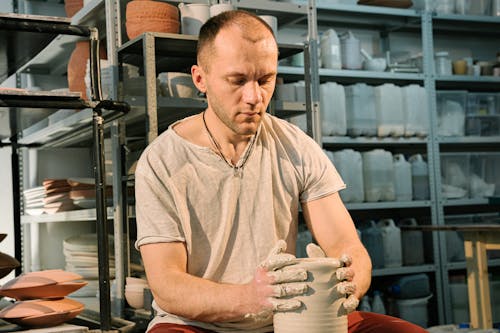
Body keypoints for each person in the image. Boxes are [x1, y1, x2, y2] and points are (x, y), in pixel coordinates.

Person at [135, 9, 428, 333]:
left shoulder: (295, 146)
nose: (254, 97)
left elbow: (345, 242)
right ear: (200, 79)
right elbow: (167, 285)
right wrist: (250, 297)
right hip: (195, 325)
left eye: (265, 80)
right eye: (237, 80)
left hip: (287, 317)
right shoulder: (161, 161)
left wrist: (351, 278)